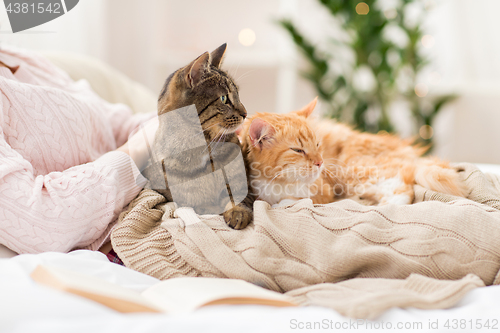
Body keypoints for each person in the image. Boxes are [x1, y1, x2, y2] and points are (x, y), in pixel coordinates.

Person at [0, 44, 157, 255]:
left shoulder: (22, 59)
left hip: (152, 202)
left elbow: (120, 124)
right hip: (130, 241)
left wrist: (185, 120)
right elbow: (46, 223)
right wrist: (140, 149)